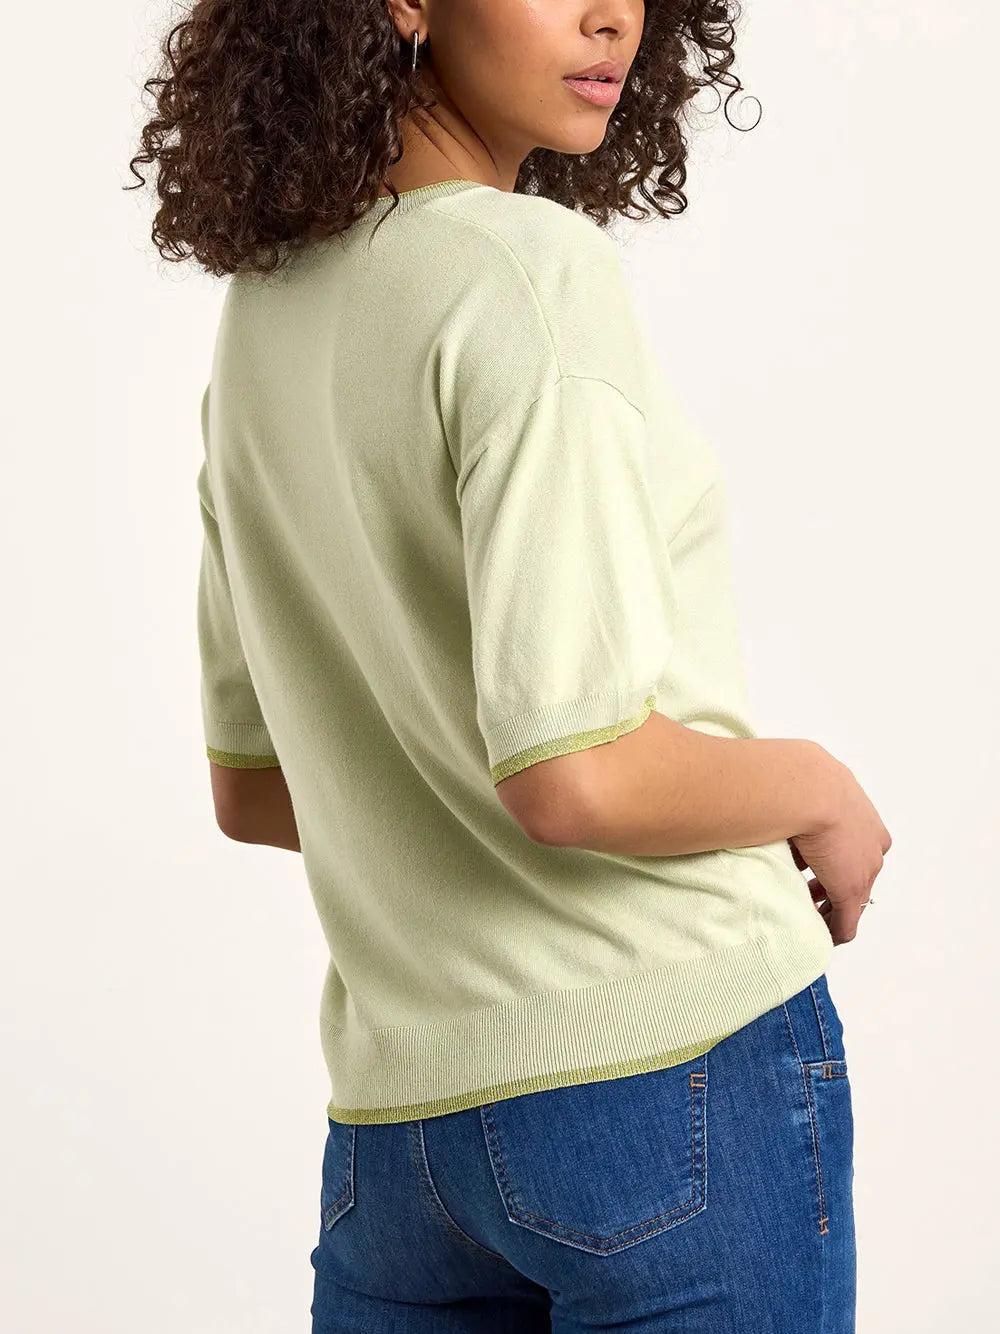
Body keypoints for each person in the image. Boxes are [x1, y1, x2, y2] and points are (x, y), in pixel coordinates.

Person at [130, 2, 891, 1329]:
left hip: (402, 1141)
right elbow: (573, 777)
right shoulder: (526, 271)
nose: (612, 16)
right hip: (672, 1081)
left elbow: (256, 788)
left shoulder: (265, 319)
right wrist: (817, 786)